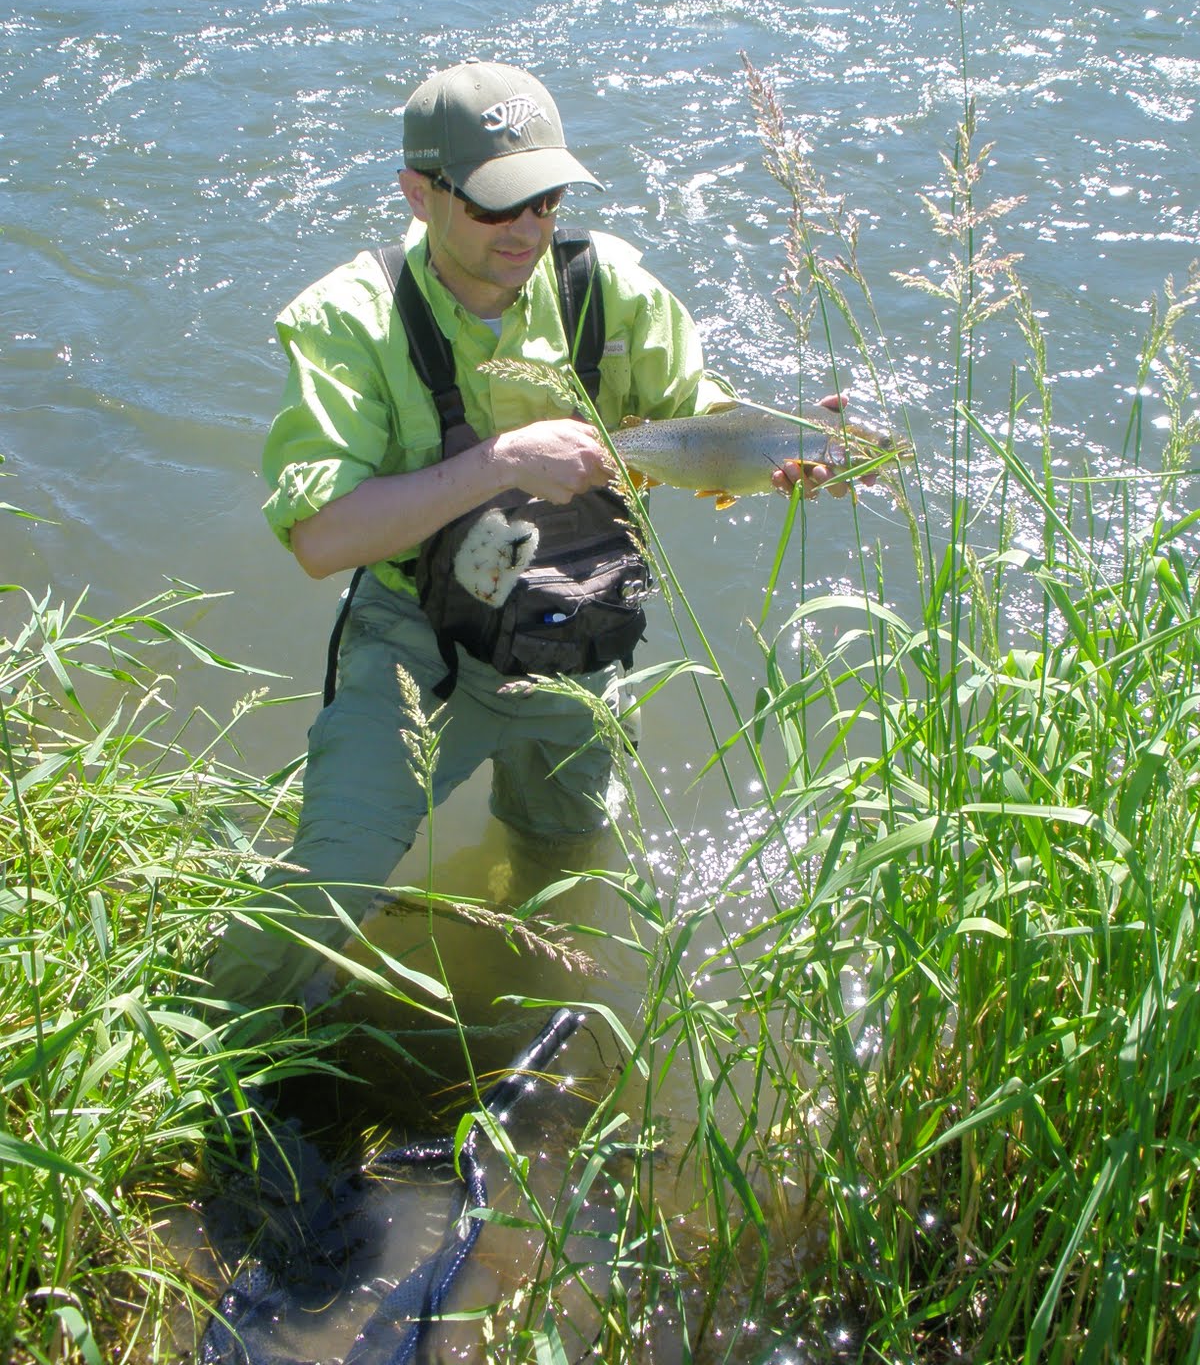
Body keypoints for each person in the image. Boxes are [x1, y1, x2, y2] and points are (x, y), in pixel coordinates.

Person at [208, 59, 842, 1013]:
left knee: (564, 854)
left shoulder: (609, 289)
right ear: (419, 196)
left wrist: (779, 450)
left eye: (544, 201)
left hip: (582, 643)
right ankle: (196, 1066)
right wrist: (501, 460)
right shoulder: (352, 319)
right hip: (420, 654)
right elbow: (320, 541)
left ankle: (508, 969)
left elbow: (692, 420)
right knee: (319, 895)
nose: (529, 231)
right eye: (498, 208)